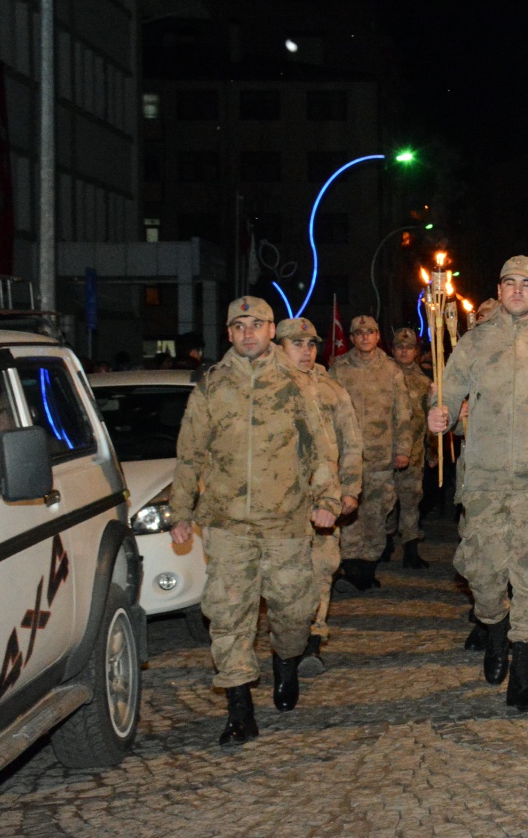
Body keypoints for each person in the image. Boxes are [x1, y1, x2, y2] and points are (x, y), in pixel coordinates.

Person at [166, 296, 341, 746]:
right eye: (240, 326)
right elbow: (189, 455)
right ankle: (239, 710)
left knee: (295, 610)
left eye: (257, 325)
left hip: (286, 522)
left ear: (271, 330)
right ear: (229, 333)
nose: (248, 333)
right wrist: (180, 511)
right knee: (228, 615)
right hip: (227, 523)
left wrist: (327, 498)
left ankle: (286, 660)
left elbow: (321, 449)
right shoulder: (212, 386)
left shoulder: (296, 383)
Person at [427, 255, 528, 711]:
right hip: (483, 475)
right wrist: (436, 415)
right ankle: (495, 628)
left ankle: (522, 675)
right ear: (498, 290)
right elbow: (446, 393)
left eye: (527, 284)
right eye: (510, 283)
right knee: (482, 571)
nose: (518, 290)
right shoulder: (475, 341)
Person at [274, 317, 363, 676]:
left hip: (323, 498)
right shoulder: (265, 388)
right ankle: (286, 643)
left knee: (322, 569)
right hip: (278, 502)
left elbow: (351, 442)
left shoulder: (331, 389)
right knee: (284, 577)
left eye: (311, 344)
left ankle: (313, 638)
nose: (307, 351)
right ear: (278, 347)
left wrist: (350, 489)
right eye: (297, 344)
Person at [330, 315, 413, 587]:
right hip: (347, 459)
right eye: (359, 333)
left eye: (370, 332)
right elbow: (328, 412)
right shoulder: (339, 370)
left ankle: (368, 566)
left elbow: (403, 414)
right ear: (352, 338)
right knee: (349, 514)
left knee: (376, 514)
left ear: (378, 336)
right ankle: (350, 565)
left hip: (381, 457)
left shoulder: (391, 370)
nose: (365, 337)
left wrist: (403, 449)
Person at [390, 327, 433, 569]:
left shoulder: (424, 382)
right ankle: (384, 543)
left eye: (409, 347)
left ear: (416, 351)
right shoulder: (383, 376)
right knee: (385, 503)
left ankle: (410, 549)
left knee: (410, 502)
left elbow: (431, 422)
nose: (404, 352)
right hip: (384, 453)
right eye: (399, 347)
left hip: (414, 454)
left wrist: (433, 452)